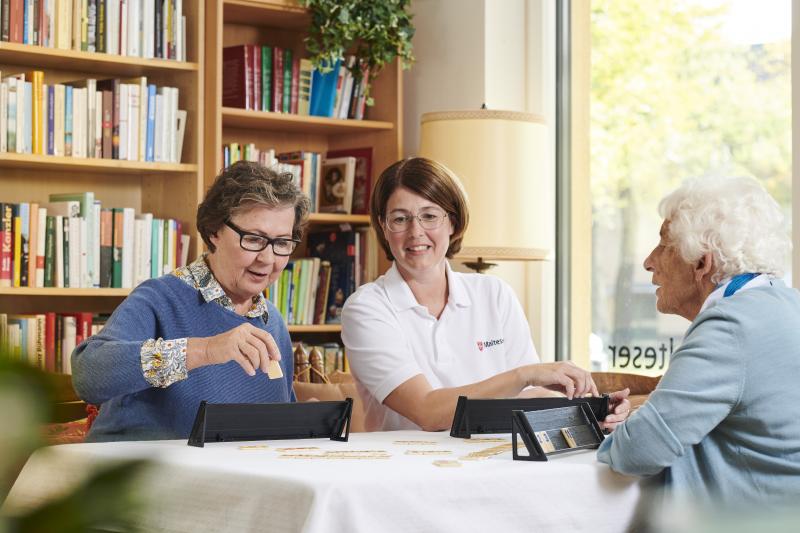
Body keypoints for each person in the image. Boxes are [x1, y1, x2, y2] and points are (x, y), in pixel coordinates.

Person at [341, 157, 630, 432]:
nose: (416, 231)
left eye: (429, 216)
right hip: (406, 472)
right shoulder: (366, 308)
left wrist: (593, 411)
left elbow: (524, 397)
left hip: (492, 464)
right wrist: (524, 374)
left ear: (453, 223)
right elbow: (427, 411)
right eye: (400, 219)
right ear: (383, 226)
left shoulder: (494, 294)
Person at [597, 176, 800, 505]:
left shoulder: (729, 327)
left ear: (701, 263)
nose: (649, 261)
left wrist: (627, 430)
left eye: (664, 245)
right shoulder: (788, 304)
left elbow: (637, 453)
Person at [72, 161, 309, 441]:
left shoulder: (272, 321)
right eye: (254, 239)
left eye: (282, 243)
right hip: (144, 479)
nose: (268, 259)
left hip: (230, 480)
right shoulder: (160, 298)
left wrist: (304, 425)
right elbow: (88, 374)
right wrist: (205, 350)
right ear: (214, 232)